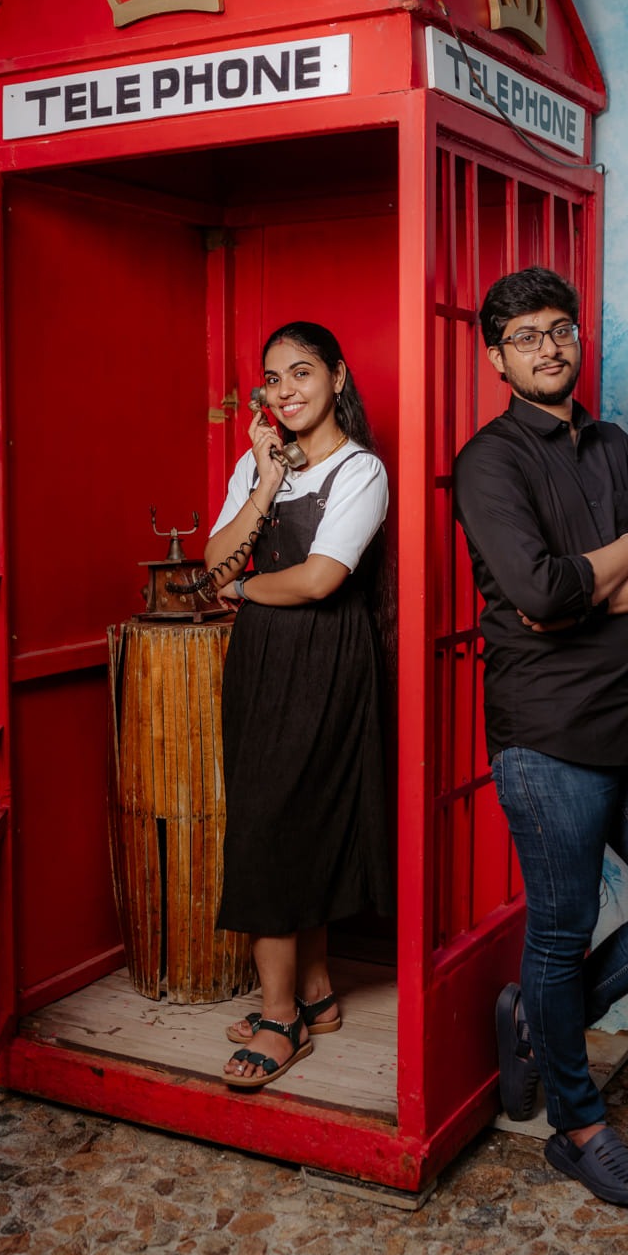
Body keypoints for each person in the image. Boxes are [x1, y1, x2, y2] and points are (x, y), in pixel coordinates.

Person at [454, 267, 628, 1206]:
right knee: (561, 930)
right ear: (496, 356)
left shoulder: (618, 447)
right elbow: (538, 595)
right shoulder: (490, 461)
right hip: (547, 739)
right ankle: (576, 1127)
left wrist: (586, 584)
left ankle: (550, 1016)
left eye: (560, 329)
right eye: (526, 334)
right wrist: (622, 556)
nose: (548, 345)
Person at [204, 321, 393, 1089]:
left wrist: (244, 590)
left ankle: (278, 1016)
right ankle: (314, 995)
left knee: (277, 823)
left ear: (338, 377)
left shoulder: (362, 470)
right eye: (273, 378)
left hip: (324, 656)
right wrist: (264, 477)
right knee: (281, 813)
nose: (286, 391)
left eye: (302, 373)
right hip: (260, 660)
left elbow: (319, 579)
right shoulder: (260, 469)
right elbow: (213, 560)